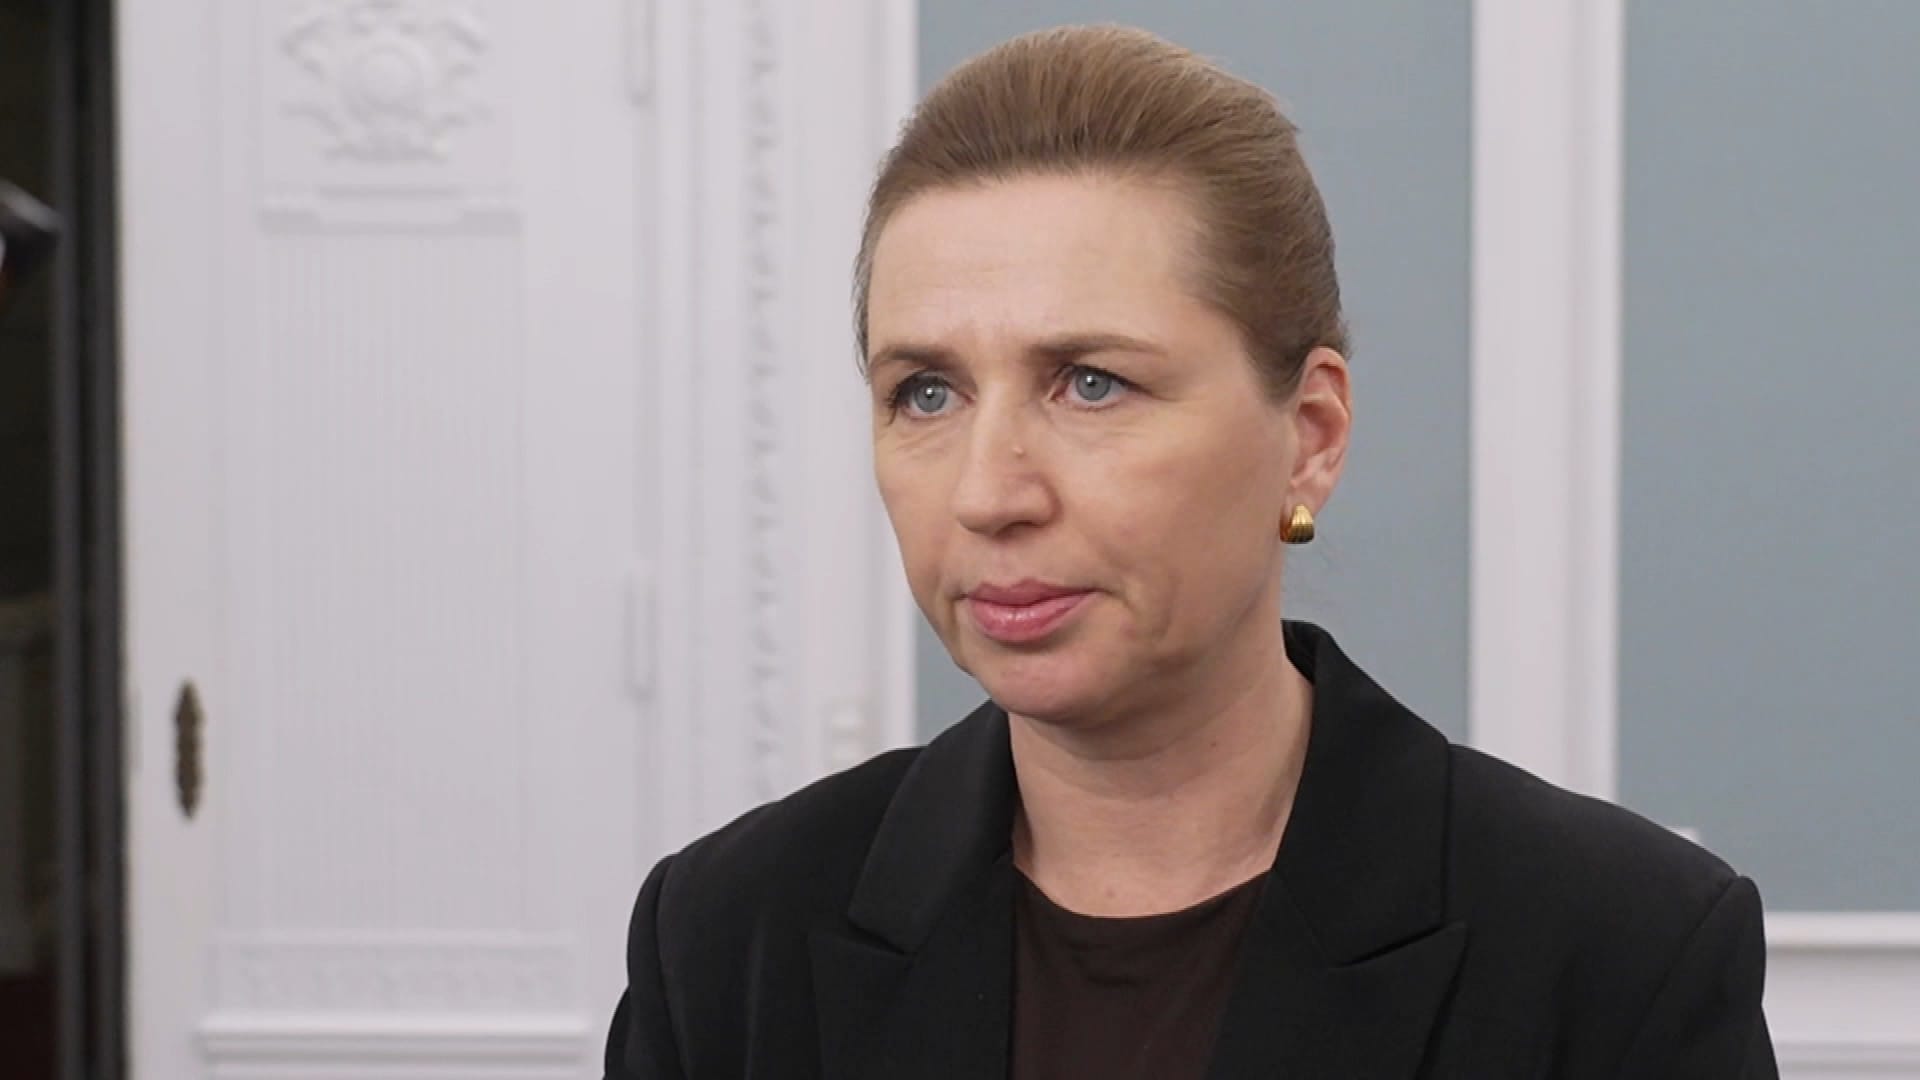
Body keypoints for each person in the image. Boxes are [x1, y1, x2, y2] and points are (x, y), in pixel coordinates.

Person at [604, 24, 1776, 1079]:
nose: (987, 493)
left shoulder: (1618, 952)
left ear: (1309, 436)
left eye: (1091, 383)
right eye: (926, 393)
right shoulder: (724, 938)